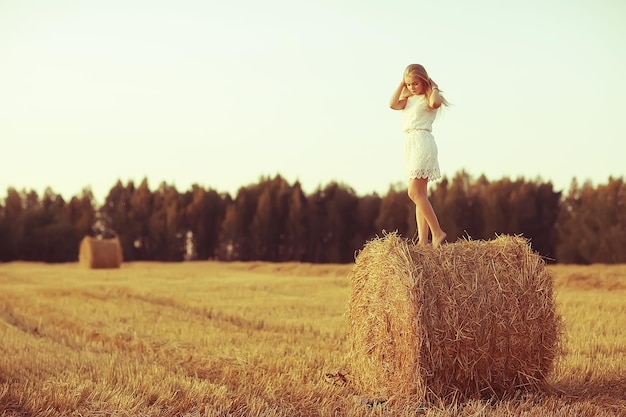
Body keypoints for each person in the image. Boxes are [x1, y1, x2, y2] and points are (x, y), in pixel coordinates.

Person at [389, 64, 448, 248]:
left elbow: (436, 103)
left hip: (422, 141)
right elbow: (392, 104)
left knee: (413, 192)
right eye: (409, 84)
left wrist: (433, 86)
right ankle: (423, 241)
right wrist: (401, 84)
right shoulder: (408, 99)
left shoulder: (428, 98)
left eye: (415, 83)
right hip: (411, 144)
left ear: (423, 81)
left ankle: (437, 232)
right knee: (420, 195)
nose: (412, 86)